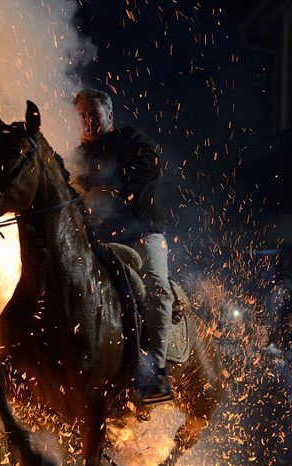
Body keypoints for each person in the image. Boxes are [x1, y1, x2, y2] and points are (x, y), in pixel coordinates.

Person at [70, 88, 174, 405]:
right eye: (83, 116)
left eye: (94, 114)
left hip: (143, 233)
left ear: (110, 116)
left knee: (157, 288)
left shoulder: (131, 139)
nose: (89, 121)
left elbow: (151, 166)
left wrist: (104, 180)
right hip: (102, 242)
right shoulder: (76, 156)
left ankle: (156, 376)